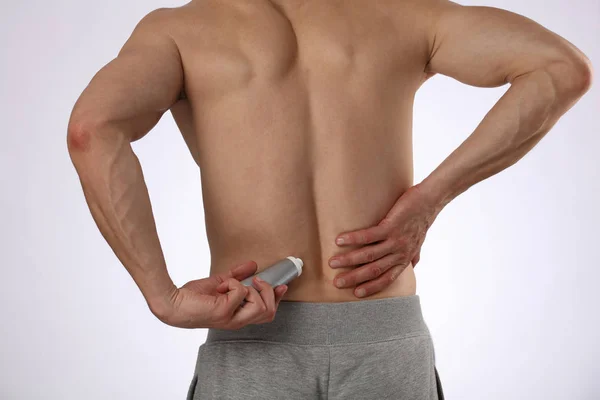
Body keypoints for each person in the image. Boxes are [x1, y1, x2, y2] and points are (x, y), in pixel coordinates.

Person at [66, 0, 592, 398]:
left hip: (252, 341)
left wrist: (165, 297)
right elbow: (562, 69)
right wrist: (431, 198)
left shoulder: (183, 30)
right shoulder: (403, 14)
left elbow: (91, 129)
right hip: (386, 342)